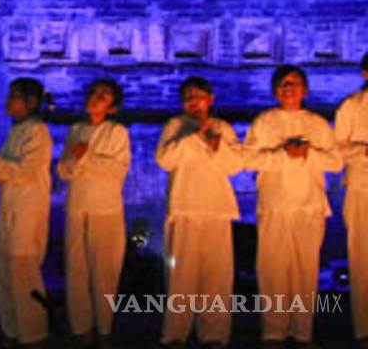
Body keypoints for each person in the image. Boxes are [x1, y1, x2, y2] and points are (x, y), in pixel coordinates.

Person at [244, 64, 342, 346]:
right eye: (284, 83)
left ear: (305, 90)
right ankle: (274, 330)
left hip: (309, 205)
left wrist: (307, 154)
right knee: (272, 269)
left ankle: (302, 331)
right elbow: (248, 160)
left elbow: (335, 162)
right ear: (276, 91)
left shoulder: (317, 123)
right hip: (274, 203)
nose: (289, 88)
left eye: (295, 83)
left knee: (305, 270)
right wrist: (282, 154)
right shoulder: (264, 121)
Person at [155, 76, 243, 348]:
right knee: (182, 276)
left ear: (210, 99)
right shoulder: (175, 125)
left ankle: (214, 334)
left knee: (217, 276)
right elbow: (165, 160)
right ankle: (175, 334)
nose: (194, 101)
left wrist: (217, 147)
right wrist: (193, 138)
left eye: (199, 96)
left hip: (217, 208)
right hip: (184, 208)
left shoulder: (222, 127)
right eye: (188, 97)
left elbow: (235, 166)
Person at [0, 77, 52, 348]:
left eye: (14, 96)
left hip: (28, 210)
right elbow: (7, 171)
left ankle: (33, 333)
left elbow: (24, 172)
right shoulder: (17, 130)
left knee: (24, 269)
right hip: (11, 207)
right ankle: (12, 331)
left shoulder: (37, 131)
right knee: (7, 270)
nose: (8, 102)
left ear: (30, 102)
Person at [55, 78, 130, 347]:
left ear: (112, 107)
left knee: (104, 270)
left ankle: (104, 328)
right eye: (94, 93)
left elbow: (116, 171)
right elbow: (64, 169)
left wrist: (87, 157)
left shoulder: (117, 132)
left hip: (105, 209)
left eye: (104, 95)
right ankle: (81, 327)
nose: (96, 98)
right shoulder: (76, 130)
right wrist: (77, 159)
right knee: (76, 269)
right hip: (77, 206)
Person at [335, 52, 368, 348]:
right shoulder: (351, 106)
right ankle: (364, 328)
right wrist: (363, 151)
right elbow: (338, 148)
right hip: (361, 187)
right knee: (362, 258)